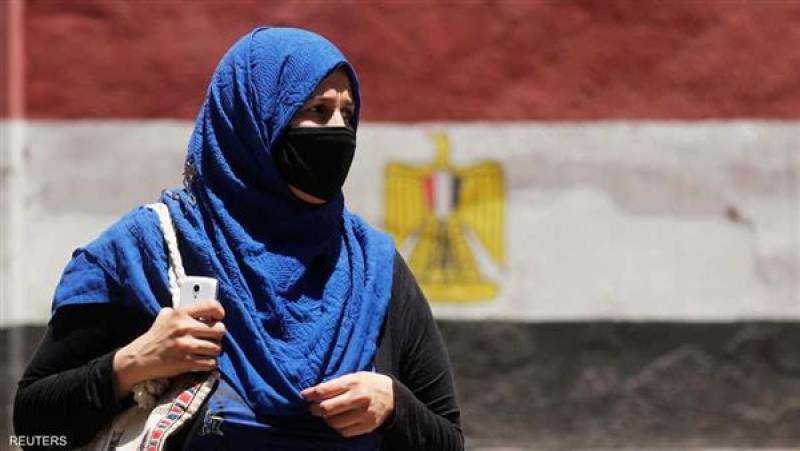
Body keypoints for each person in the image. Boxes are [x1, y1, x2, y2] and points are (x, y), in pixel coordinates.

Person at [13, 27, 463, 450]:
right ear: (254, 120)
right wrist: (132, 365)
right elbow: (34, 429)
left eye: (348, 114)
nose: (339, 131)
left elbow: (448, 437)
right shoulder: (147, 252)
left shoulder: (372, 269)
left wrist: (394, 407)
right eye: (317, 111)